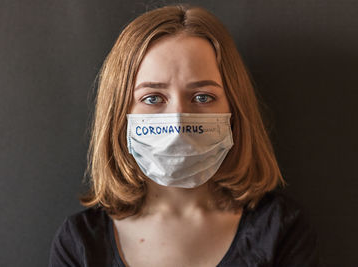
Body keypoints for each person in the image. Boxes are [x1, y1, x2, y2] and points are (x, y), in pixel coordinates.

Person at [49, 4, 323, 267]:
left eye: (203, 97)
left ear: (235, 109)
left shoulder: (281, 231)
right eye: (153, 97)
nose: (178, 120)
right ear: (119, 113)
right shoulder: (80, 243)